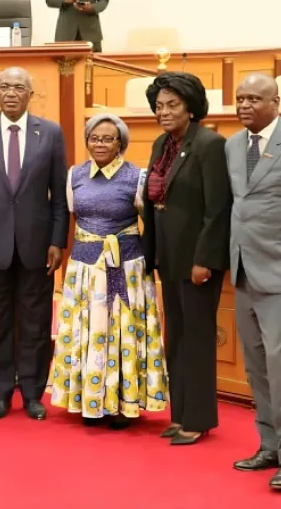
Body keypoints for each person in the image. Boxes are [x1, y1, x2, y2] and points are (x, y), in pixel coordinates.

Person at [0, 67, 69, 421]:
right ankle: (1, 392)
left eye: (19, 87)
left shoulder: (49, 133)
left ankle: (33, 394)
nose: (10, 93)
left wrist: (57, 240)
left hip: (37, 246)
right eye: (4, 87)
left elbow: (59, 197)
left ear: (30, 94)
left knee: (35, 325)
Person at [51, 114, 168, 428]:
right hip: (84, 268)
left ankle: (120, 403)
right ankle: (87, 400)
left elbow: (152, 225)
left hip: (125, 267)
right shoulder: (74, 175)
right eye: (94, 138)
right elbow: (71, 218)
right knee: (86, 331)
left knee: (121, 333)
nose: (100, 144)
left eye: (108, 138)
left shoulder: (137, 177)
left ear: (121, 143)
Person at [141, 72, 231, 445]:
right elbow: (153, 200)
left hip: (196, 261)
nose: (163, 112)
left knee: (196, 339)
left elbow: (217, 209)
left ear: (190, 107)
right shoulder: (162, 142)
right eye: (159, 106)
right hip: (168, 256)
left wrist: (204, 260)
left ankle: (198, 419)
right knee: (175, 338)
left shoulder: (209, 144)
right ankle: (180, 415)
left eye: (172, 105)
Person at [226, 74, 281, 490]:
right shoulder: (231, 145)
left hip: (278, 275)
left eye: (253, 98)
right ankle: (269, 445)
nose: (244, 105)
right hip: (243, 272)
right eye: (240, 98)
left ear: (275, 102)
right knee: (257, 367)